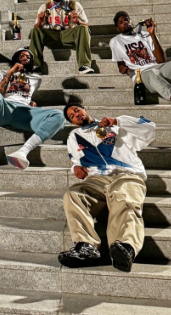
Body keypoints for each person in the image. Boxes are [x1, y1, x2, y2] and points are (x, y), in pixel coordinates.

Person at [59, 103, 156, 272]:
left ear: (85, 109)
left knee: (123, 197)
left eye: (76, 110)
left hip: (127, 174)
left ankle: (125, 247)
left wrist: (118, 121)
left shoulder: (113, 126)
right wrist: (74, 167)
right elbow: (75, 158)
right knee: (73, 194)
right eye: (72, 116)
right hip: (97, 179)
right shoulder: (74, 136)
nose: (76, 115)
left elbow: (149, 129)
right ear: (72, 122)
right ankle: (86, 246)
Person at [0, 48, 64, 170]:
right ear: (15, 58)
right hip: (3, 110)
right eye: (22, 55)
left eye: (28, 57)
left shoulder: (36, 79)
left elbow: (25, 96)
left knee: (59, 115)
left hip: (23, 112)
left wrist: (30, 102)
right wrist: (10, 73)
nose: (25, 58)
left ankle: (22, 152)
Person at [29, 0, 93, 74]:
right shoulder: (44, 7)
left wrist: (77, 20)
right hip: (52, 36)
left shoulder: (74, 5)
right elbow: (36, 27)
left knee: (83, 29)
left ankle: (84, 65)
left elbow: (86, 24)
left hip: (69, 34)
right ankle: (36, 65)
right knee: (35, 31)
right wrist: (39, 21)